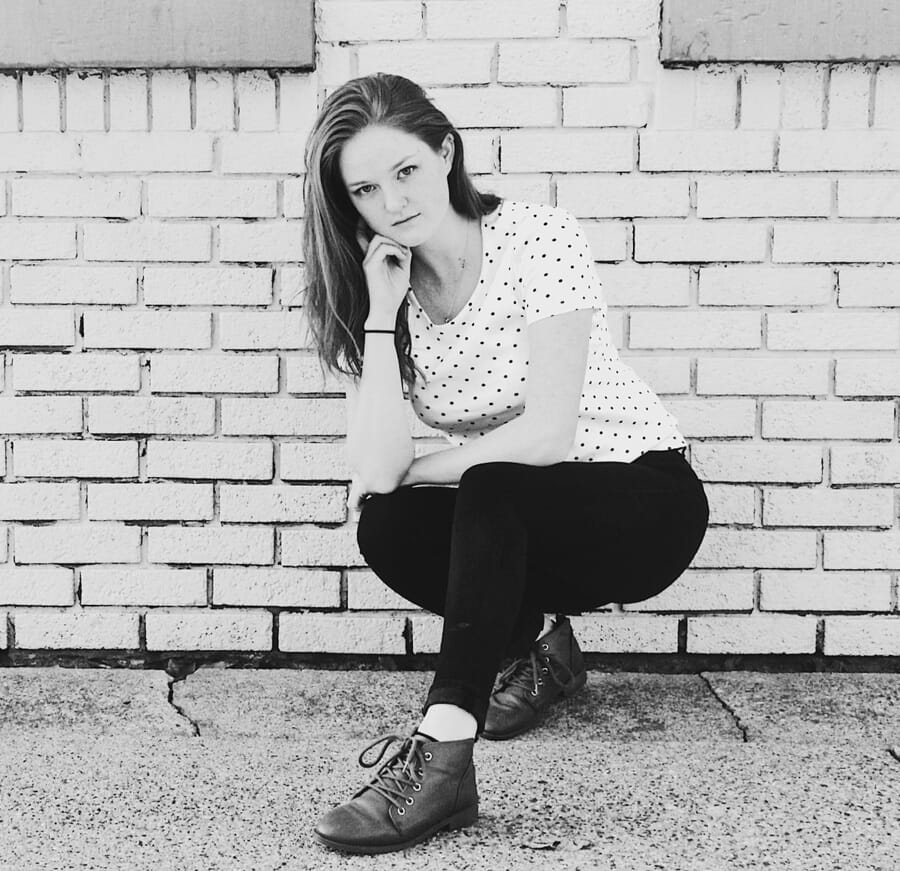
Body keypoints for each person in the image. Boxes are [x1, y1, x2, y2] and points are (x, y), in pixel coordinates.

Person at [300, 73, 710, 855]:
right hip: (518, 511)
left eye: (407, 171)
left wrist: (428, 469)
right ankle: (535, 651)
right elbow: (380, 474)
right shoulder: (382, 288)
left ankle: (442, 753)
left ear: (446, 152)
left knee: (486, 482)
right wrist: (382, 314)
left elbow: (549, 435)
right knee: (387, 525)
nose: (393, 201)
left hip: (642, 496)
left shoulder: (536, 238)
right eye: (365, 189)